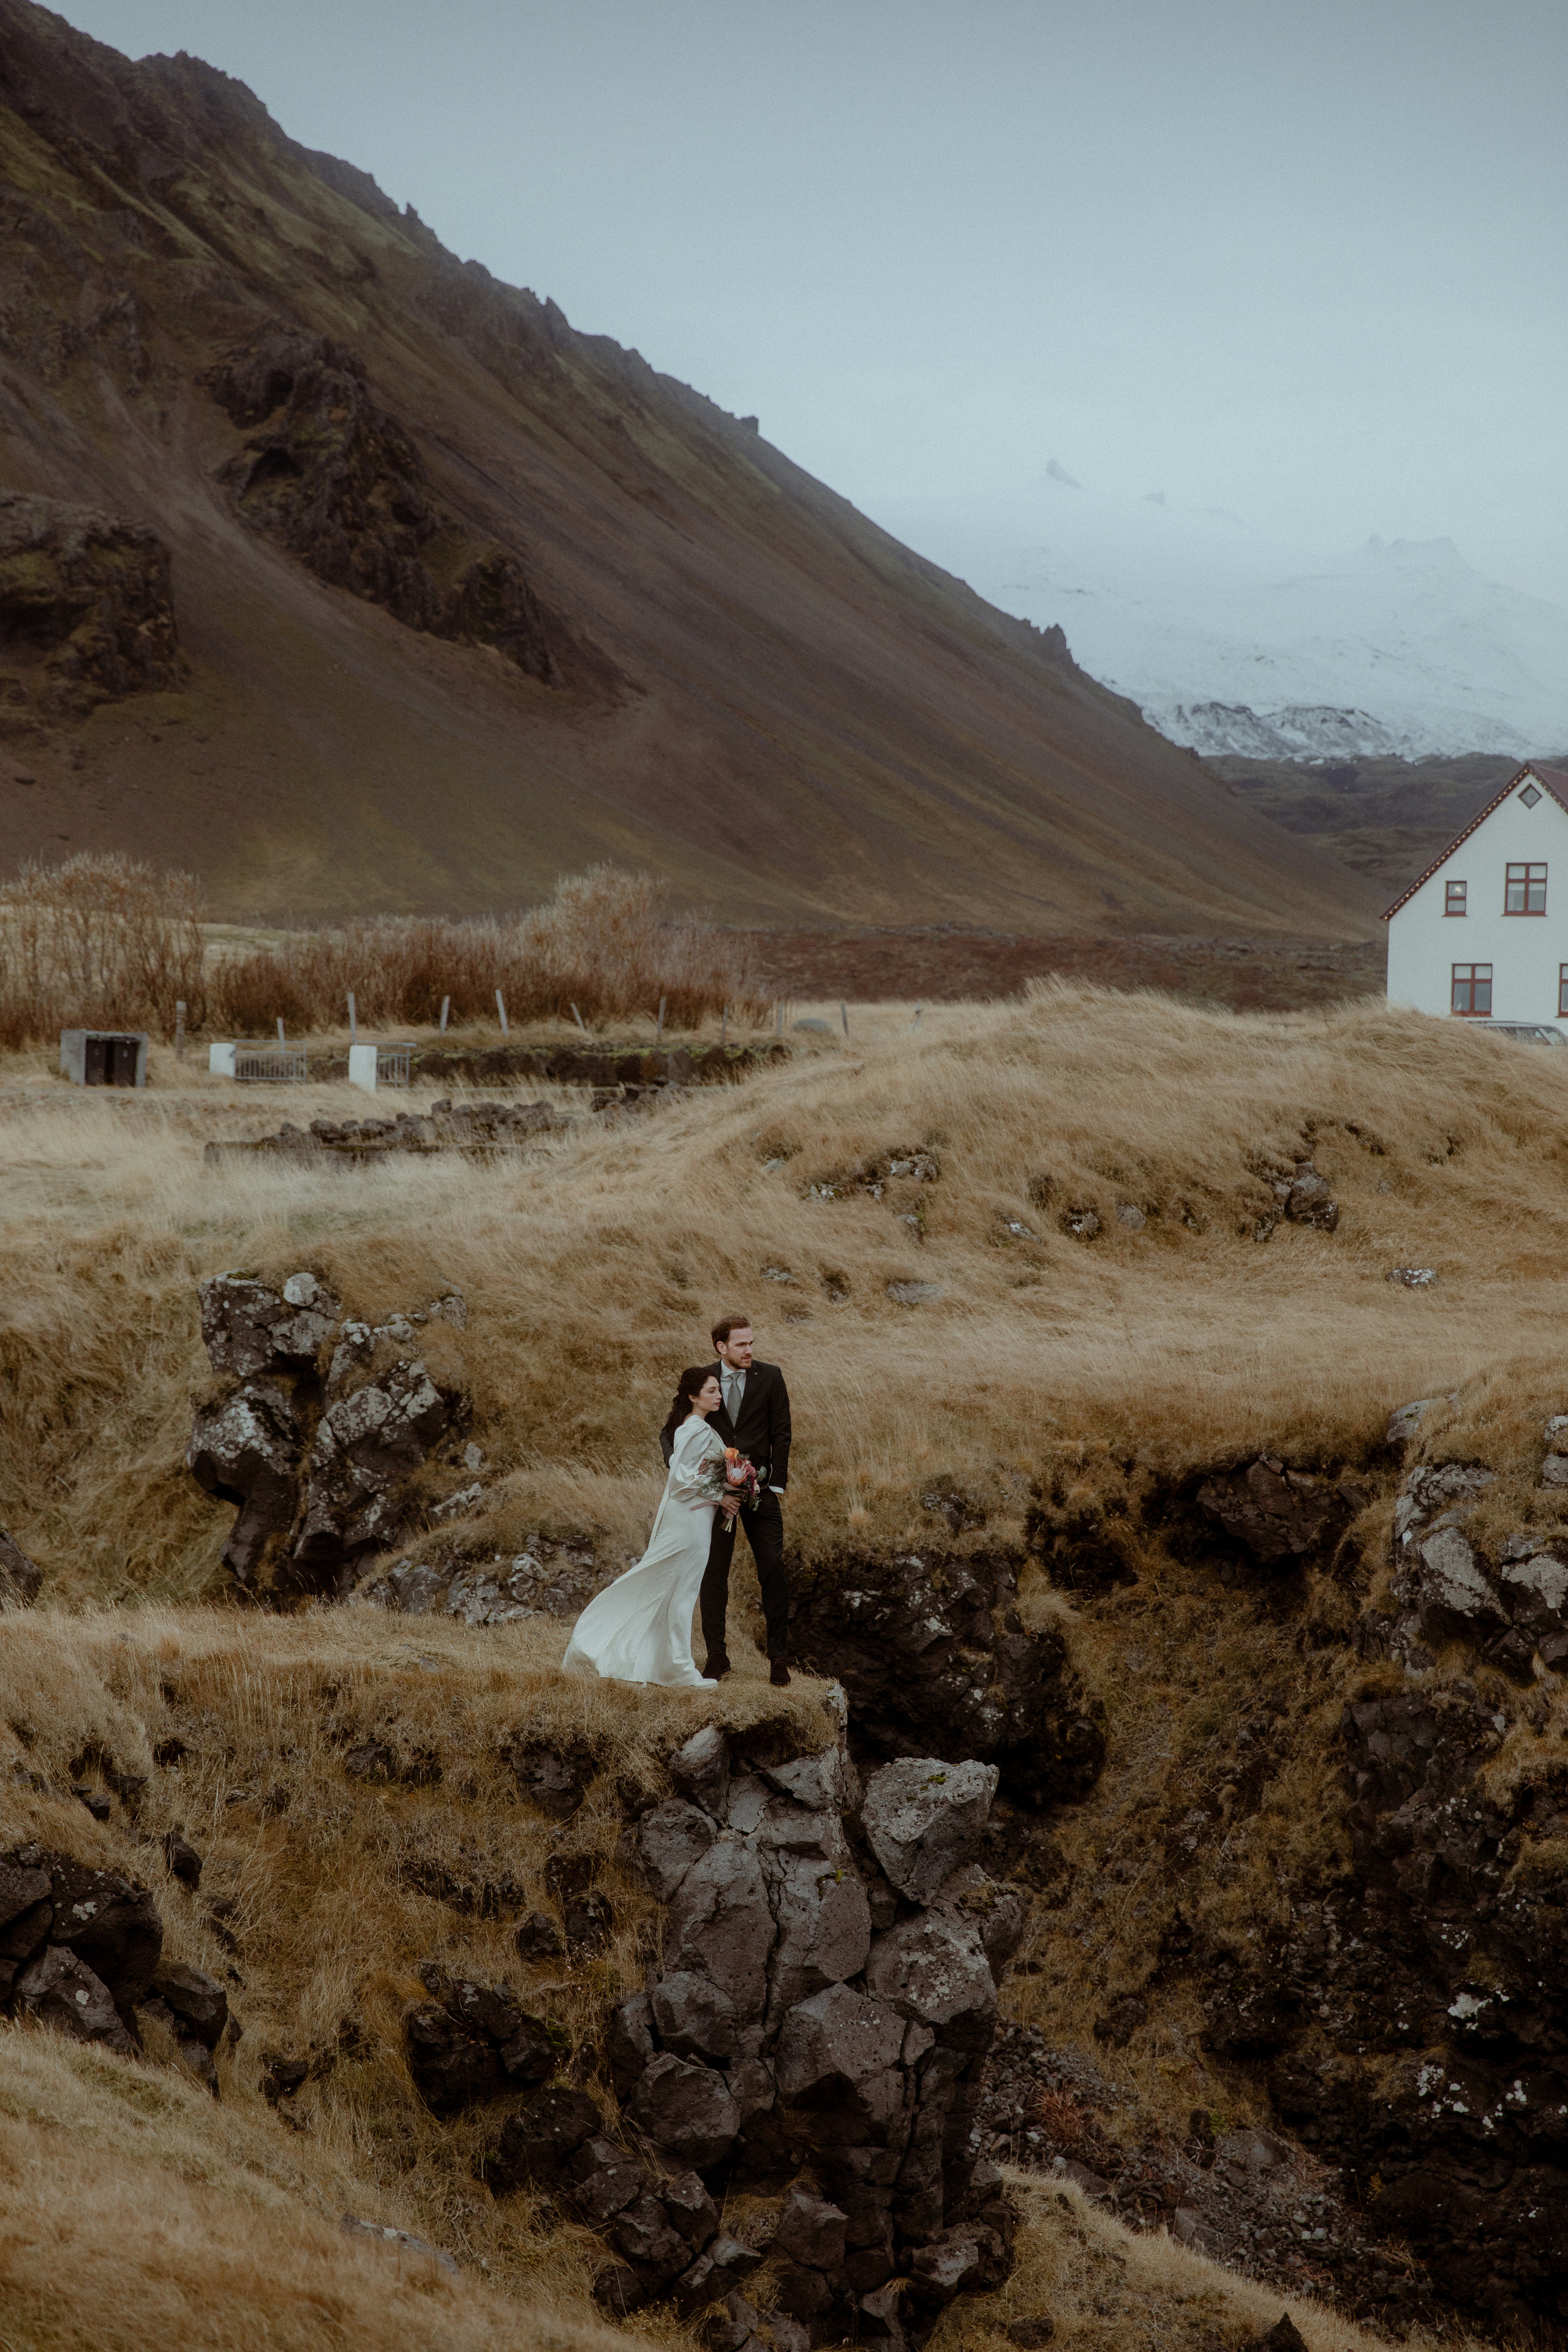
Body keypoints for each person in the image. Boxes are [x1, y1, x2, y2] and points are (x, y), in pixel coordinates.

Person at [562, 1366, 741, 1689]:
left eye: (718, 1390)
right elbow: (679, 1480)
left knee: (673, 1587)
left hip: (692, 1516)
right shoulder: (696, 1429)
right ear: (693, 1397)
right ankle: (679, 1669)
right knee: (681, 1590)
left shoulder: (695, 1426)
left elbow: (693, 1473)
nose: (718, 1396)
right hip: (690, 1520)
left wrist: (731, 1486)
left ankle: (664, 1663)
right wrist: (721, 1496)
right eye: (711, 1391)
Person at [662, 1313, 793, 1687]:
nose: (749, 1350)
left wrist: (775, 1485)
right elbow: (670, 1432)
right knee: (714, 1573)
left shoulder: (771, 1376)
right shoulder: (704, 1380)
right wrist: (684, 1470)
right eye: (741, 1344)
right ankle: (717, 1657)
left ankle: (779, 1658)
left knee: (773, 1568)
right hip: (716, 1496)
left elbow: (781, 1432)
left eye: (751, 1343)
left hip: (760, 1491)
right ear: (722, 1347)